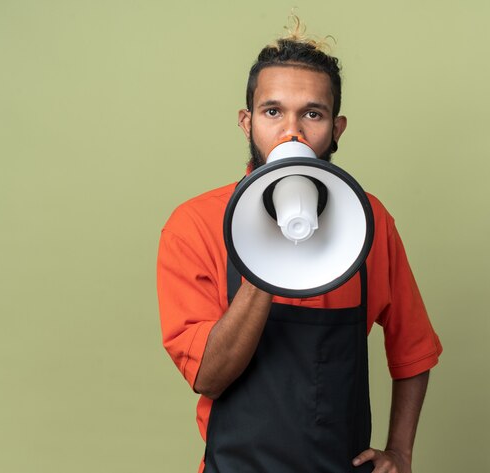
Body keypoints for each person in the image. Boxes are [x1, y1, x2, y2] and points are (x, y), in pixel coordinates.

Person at [157, 18, 442, 473]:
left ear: (337, 127)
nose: (292, 132)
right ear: (246, 122)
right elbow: (208, 376)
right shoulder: (192, 225)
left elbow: (415, 350)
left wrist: (401, 452)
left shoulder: (370, 224)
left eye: (313, 113)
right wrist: (264, 250)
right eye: (273, 112)